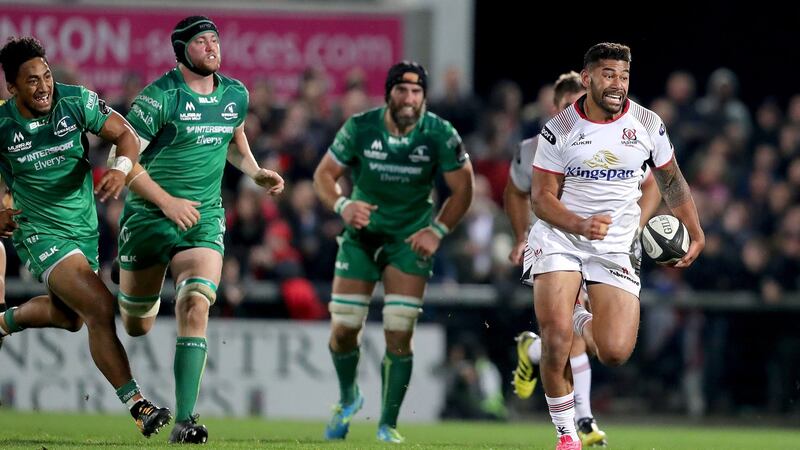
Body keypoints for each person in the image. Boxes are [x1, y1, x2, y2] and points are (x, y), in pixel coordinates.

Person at [108, 16, 285, 444]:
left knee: (195, 304)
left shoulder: (235, 94)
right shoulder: (159, 97)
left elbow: (232, 138)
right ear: (182, 50)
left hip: (202, 218)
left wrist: (255, 171)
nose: (212, 47)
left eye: (215, 40)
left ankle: (186, 420)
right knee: (137, 326)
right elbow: (123, 158)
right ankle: (125, 277)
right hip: (151, 218)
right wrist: (167, 203)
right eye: (202, 41)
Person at [528, 43, 704, 450]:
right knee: (554, 339)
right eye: (608, 74)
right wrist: (579, 223)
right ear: (587, 78)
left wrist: (696, 231)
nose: (617, 84)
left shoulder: (647, 123)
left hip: (617, 244)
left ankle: (576, 316)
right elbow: (541, 198)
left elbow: (671, 181)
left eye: (623, 76)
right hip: (562, 236)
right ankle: (567, 435)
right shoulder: (560, 128)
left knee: (614, 351)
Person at [0, 36, 171, 437]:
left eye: (47, 76)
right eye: (31, 81)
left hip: (83, 228)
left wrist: (120, 167)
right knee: (99, 304)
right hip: (39, 231)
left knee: (71, 317)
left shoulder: (75, 101)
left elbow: (126, 134)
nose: (44, 87)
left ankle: (4, 322)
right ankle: (139, 406)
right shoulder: (2, 124)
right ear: (12, 88)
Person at [313, 61, 474, 443]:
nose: (410, 98)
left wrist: (438, 230)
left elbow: (464, 188)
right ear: (389, 94)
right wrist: (342, 207)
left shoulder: (439, 133)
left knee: (399, 333)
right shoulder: (360, 126)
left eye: (417, 92)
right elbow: (323, 176)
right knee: (343, 330)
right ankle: (349, 397)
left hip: (409, 243)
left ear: (425, 97)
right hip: (362, 239)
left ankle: (387, 424)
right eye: (402, 90)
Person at [505, 71, 662, 447]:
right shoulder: (534, 147)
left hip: (609, 246)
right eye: (566, 105)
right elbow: (515, 192)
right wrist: (520, 235)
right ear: (554, 108)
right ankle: (582, 423)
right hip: (558, 243)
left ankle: (532, 350)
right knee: (564, 333)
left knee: (599, 342)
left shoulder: (615, 138)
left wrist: (635, 229)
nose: (575, 111)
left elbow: (652, 183)